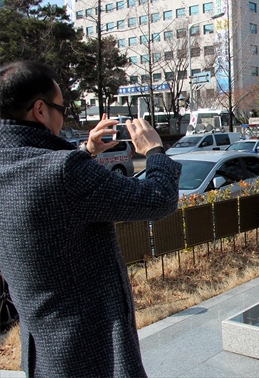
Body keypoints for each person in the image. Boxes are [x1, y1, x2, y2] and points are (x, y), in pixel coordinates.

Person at [0, 61, 182, 376]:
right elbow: (158, 199)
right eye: (61, 107)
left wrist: (86, 150)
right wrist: (155, 152)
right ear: (40, 110)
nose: (63, 116)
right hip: (90, 345)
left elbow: (51, 197)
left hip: (42, 347)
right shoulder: (64, 172)